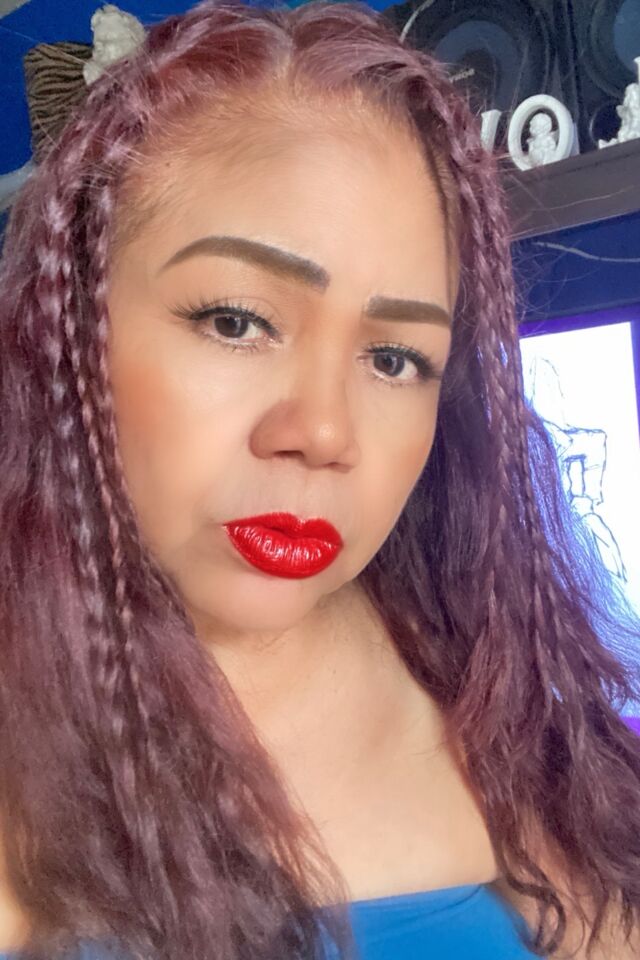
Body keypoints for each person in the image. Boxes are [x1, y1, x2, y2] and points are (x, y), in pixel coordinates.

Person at [0, 1, 639, 958]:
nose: (326, 432)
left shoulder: (496, 700)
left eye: (395, 357)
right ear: (71, 330)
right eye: (235, 321)